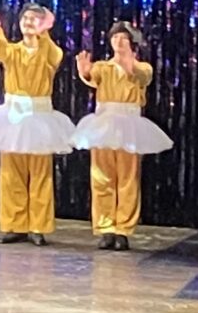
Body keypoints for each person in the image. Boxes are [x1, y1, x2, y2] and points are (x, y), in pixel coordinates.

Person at [0, 3, 78, 244]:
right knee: (11, 172)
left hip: (40, 117)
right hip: (13, 116)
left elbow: (55, 56)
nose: (29, 22)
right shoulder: (13, 51)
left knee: (40, 173)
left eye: (34, 19)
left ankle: (38, 226)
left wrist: (45, 33)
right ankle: (15, 224)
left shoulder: (49, 52)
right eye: (25, 18)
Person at [72, 22, 172, 250]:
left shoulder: (143, 67)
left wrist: (130, 66)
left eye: (123, 38)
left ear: (132, 43)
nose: (118, 41)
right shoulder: (103, 67)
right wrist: (84, 71)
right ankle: (105, 228)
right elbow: (91, 77)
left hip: (129, 124)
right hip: (104, 124)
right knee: (102, 177)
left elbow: (143, 78)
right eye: (115, 38)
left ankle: (123, 229)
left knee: (128, 178)